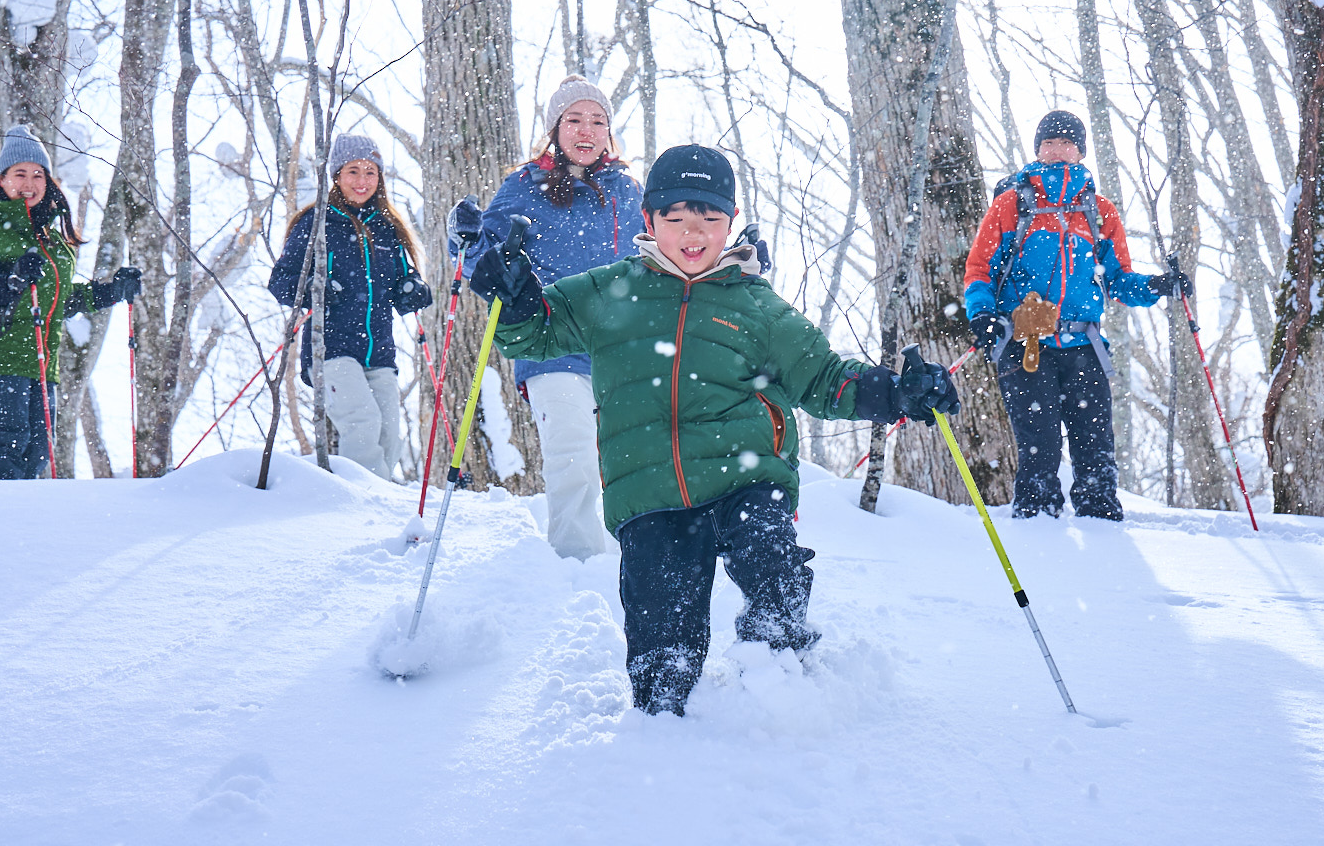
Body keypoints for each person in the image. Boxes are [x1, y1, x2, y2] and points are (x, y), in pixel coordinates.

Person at [467, 143, 960, 716]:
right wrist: (516, 296)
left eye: (709, 218)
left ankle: (783, 677)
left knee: (769, 561)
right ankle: (669, 727)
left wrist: (896, 392)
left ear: (729, 226)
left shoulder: (757, 307)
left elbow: (824, 379)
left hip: (746, 475)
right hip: (648, 491)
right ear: (649, 220)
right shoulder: (608, 290)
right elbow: (536, 335)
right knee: (661, 641)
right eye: (675, 217)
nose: (692, 232)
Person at [961, 110, 1191, 520]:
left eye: (1066, 143)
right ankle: (1036, 529)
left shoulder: (1099, 211)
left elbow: (1117, 281)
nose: (1057, 150)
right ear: (1037, 150)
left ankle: (1103, 530)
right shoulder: (1011, 205)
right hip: (1025, 344)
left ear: (1081, 152)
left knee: (1095, 446)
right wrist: (982, 314)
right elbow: (980, 270)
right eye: (1049, 143)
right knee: (1041, 447)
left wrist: (1157, 286)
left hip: (1085, 345)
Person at [453, 76, 641, 560]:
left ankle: (631, 559)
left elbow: (673, 249)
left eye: (598, 121)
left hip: (624, 350)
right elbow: (484, 261)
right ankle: (578, 563)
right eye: (574, 119)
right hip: (552, 344)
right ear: (556, 127)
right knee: (573, 452)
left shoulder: (628, 190)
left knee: (630, 464)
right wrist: (471, 242)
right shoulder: (523, 187)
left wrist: (730, 256)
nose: (587, 130)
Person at [0, 125, 144, 479]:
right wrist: (8, 282)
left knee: (37, 453)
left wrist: (111, 291)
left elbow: (59, 301)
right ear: (2, 179)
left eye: (38, 174)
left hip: (40, 364)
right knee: (4, 449)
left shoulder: (53, 239)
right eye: (19, 173)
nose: (29, 182)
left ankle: (21, 529)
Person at [269, 134, 433, 481]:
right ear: (337, 176)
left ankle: (382, 500)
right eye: (353, 171)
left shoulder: (387, 228)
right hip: (331, 348)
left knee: (389, 431)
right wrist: (317, 288)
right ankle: (361, 506)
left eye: (371, 172)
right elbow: (281, 281)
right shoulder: (316, 222)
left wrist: (413, 290)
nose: (362, 181)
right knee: (362, 422)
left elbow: (404, 282)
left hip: (379, 351)